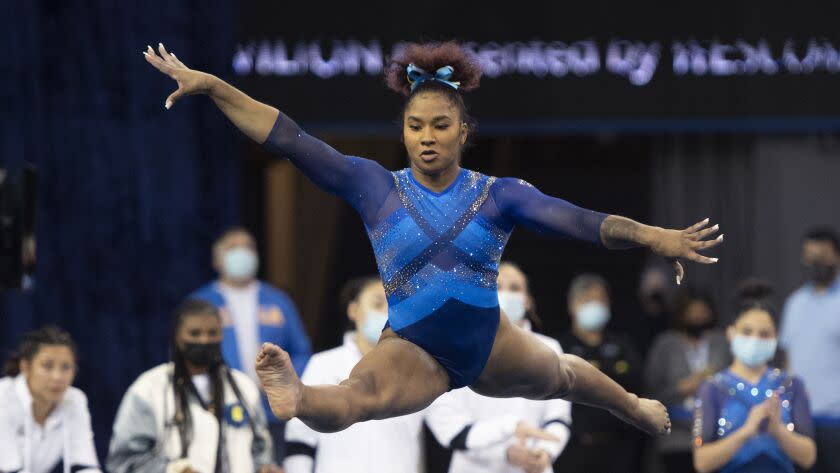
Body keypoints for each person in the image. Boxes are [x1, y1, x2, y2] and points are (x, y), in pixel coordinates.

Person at [143, 40, 724, 437]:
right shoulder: (372, 185)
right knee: (358, 397)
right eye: (414, 126)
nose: (426, 138)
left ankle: (632, 408)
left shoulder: (499, 195)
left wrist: (656, 236)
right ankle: (299, 397)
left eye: (441, 126)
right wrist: (217, 87)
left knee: (565, 376)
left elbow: (579, 221)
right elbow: (290, 138)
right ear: (402, 129)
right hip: (417, 349)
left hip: (491, 341)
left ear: (464, 132)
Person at [426, 261, 572, 473]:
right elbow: (447, 425)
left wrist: (545, 451)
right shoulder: (456, 347)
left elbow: (559, 417)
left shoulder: (550, 348)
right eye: (497, 286)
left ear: (528, 301)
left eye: (515, 288)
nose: (505, 294)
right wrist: (506, 445)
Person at [107, 299, 278, 473]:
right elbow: (123, 461)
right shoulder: (148, 389)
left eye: (212, 333)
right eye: (195, 334)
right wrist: (172, 470)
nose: (204, 340)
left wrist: (265, 468)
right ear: (178, 337)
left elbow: (261, 452)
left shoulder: (244, 388)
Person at [192, 227, 312, 461]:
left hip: (273, 414)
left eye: (248, 247)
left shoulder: (278, 301)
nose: (242, 253)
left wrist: (277, 380)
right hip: (218, 411)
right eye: (233, 248)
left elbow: (302, 350)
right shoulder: (202, 303)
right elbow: (187, 355)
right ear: (217, 260)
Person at [284, 276, 425, 473]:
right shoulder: (323, 363)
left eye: (393, 305)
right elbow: (299, 438)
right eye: (377, 303)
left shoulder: (417, 367)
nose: (386, 313)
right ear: (353, 310)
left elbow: (448, 423)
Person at [692, 280, 816, 473]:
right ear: (731, 333)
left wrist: (778, 431)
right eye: (747, 332)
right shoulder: (713, 388)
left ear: (776, 338)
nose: (755, 339)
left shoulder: (791, 385)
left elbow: (808, 457)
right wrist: (746, 431)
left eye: (764, 334)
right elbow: (701, 462)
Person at [554, 274, 644, 473]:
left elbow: (637, 384)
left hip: (618, 448)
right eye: (587, 300)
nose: (595, 305)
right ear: (572, 306)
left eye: (600, 299)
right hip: (574, 449)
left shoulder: (622, 344)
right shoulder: (559, 346)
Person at [645, 287, 731, 473]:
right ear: (682, 314)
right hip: (676, 438)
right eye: (692, 313)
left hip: (716, 435)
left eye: (702, 313)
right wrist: (682, 388)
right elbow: (650, 392)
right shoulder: (665, 344)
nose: (698, 318)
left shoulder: (721, 341)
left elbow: (734, 381)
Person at [779, 227, 840, 473]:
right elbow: (787, 361)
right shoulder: (794, 303)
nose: (815, 263)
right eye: (810, 256)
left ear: (837, 257)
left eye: (822, 256)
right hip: (800, 421)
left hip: (836, 421)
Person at [0, 326, 100, 473]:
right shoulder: (3, 398)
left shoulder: (75, 400)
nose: (57, 376)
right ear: (25, 367)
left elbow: (85, 466)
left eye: (66, 367)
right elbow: (9, 469)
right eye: (47, 366)